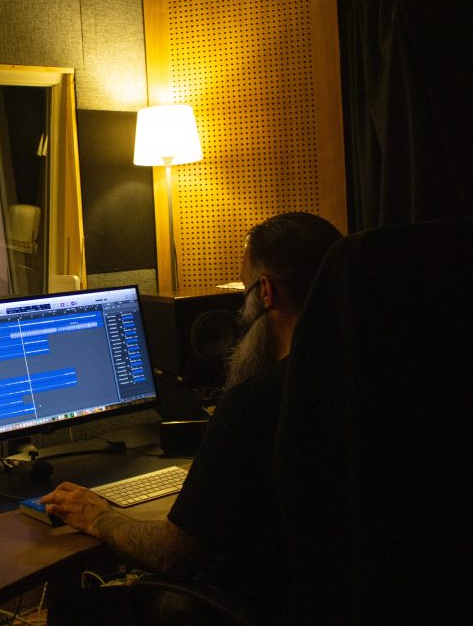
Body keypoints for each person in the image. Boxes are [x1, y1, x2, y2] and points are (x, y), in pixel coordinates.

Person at [41, 212, 343, 624]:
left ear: (266, 292)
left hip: (250, 606)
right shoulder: (367, 380)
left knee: (74, 609)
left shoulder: (255, 401)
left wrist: (99, 515)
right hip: (336, 602)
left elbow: (173, 554)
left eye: (244, 291)